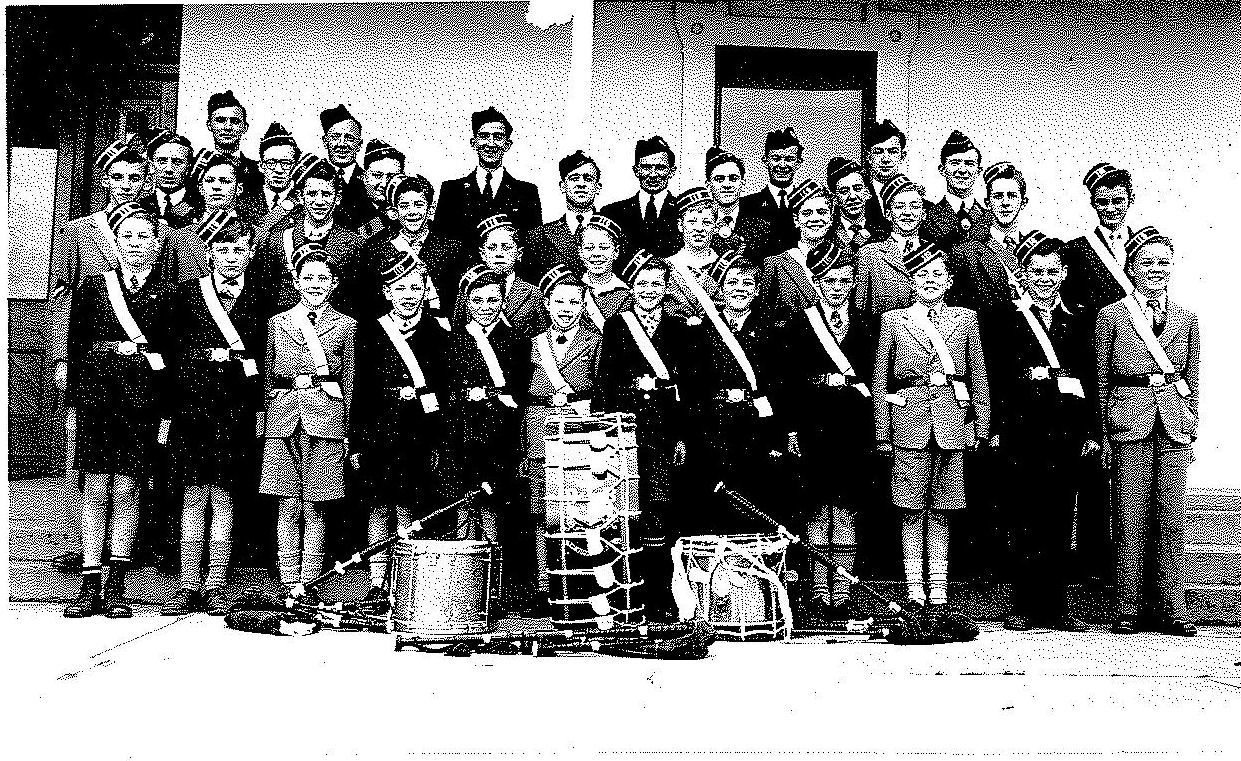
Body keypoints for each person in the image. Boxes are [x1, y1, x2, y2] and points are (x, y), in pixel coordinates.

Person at [62, 204, 174, 618]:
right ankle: (88, 584)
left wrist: (163, 404)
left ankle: (117, 587)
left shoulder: (166, 296)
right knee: (94, 488)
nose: (136, 245)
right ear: (114, 241)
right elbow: (78, 344)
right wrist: (112, 351)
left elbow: (169, 354)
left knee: (127, 489)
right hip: (99, 399)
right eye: (128, 237)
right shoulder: (94, 287)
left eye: (146, 238)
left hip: (141, 403)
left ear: (159, 244)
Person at [988, 231, 1099, 631]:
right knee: (1023, 518)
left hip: (1065, 434)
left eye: (1053, 271)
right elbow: (994, 376)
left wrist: (1091, 432)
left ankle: (1055, 607)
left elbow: (1091, 378)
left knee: (1058, 520)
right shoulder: (1009, 319)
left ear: (1065, 272)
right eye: (1036, 271)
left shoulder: (1080, 319)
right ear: (1022, 272)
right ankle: (1023, 605)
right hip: (1022, 431)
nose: (1045, 278)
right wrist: (1026, 380)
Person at [873, 240, 990, 607]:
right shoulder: (894, 321)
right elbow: (881, 381)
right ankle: (913, 588)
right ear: (910, 280)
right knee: (910, 508)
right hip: (909, 420)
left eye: (938, 274)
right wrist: (882, 432)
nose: (931, 281)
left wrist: (979, 425)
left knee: (943, 508)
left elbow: (978, 377)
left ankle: (937, 588)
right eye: (922, 274)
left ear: (950, 281)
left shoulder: (966, 318)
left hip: (953, 422)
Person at [163, 218, 270, 616]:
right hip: (195, 408)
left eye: (238, 249)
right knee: (192, 497)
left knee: (226, 497)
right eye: (222, 250)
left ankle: (218, 581)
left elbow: (269, 356)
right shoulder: (189, 296)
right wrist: (205, 361)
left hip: (237, 411)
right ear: (208, 254)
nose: (230, 258)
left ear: (250, 252)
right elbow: (172, 353)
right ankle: (189, 583)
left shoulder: (261, 302)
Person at [1096, 227, 1199, 637]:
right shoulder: (1113, 315)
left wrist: (1189, 430)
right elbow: (1103, 379)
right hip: (1128, 421)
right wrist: (1104, 434)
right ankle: (1128, 608)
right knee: (1129, 520)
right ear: (1131, 265)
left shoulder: (1186, 319)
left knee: (1172, 520)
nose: (1155, 270)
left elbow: (1192, 380)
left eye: (1163, 263)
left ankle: (1173, 607)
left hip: (1173, 424)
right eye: (1147, 261)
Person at [781, 242, 878, 625]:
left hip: (855, 430)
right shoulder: (803, 327)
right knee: (818, 508)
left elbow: (878, 376)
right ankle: (818, 590)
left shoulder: (869, 326)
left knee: (848, 508)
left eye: (845, 279)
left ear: (854, 282)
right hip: (815, 427)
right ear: (816, 284)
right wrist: (824, 380)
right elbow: (788, 382)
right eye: (828, 280)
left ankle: (843, 590)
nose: (837, 287)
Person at [349, 250, 451, 603]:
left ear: (424, 289)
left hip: (419, 434)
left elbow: (446, 388)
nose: (408, 294)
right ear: (386, 292)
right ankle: (377, 582)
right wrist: (357, 442)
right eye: (399, 288)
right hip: (379, 432)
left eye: (414, 287)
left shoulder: (438, 333)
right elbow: (359, 389)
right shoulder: (372, 330)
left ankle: (404, 582)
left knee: (410, 507)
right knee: (378, 505)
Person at [596, 254, 694, 620]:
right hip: (627, 434)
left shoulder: (679, 329)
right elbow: (606, 384)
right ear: (631, 288)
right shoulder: (618, 326)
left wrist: (681, 436)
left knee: (660, 515)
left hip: (664, 435)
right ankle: (629, 597)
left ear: (667, 289)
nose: (650, 291)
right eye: (643, 284)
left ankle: (661, 596)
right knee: (626, 517)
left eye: (657, 284)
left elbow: (688, 389)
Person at [260, 250, 357, 603]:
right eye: (308, 278)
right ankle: (287, 581)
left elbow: (350, 380)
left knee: (316, 505)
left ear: (332, 283)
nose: (314, 285)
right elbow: (268, 376)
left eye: (322, 278)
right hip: (283, 419)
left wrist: (346, 429)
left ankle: (310, 583)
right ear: (296, 281)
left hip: (327, 420)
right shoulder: (278, 322)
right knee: (288, 504)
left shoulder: (346, 325)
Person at [444, 266, 530, 607]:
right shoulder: (455, 339)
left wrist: (495, 398)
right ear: (467, 301)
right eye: (477, 300)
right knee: (464, 508)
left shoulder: (515, 341)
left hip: (501, 437)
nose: (485, 306)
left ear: (503, 299)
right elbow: (445, 388)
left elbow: (520, 391)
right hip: (464, 436)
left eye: (493, 299)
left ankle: (493, 590)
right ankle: (464, 586)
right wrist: (469, 395)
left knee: (495, 509)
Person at [519, 266, 601, 614]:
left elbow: (602, 386)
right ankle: (543, 586)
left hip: (579, 431)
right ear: (547, 303)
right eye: (558, 301)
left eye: (573, 301)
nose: (565, 308)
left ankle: (579, 587)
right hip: (540, 429)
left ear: (584, 304)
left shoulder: (596, 340)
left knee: (580, 511)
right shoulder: (533, 343)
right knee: (543, 512)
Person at [690, 258, 784, 535]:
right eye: (732, 282)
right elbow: (695, 383)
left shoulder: (772, 327)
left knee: (755, 502)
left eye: (747, 283)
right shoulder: (704, 329)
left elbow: (781, 381)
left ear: (756, 290)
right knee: (718, 503)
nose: (739, 289)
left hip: (756, 427)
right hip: (716, 428)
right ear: (719, 287)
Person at [345, 173, 465, 322]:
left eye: (419, 204)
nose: (412, 211)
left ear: (431, 209)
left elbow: (457, 301)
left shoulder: (452, 249)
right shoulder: (376, 248)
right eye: (404, 206)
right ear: (394, 213)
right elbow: (365, 297)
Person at [255, 159, 362, 315]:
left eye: (326, 194)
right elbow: (264, 296)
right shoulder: (278, 239)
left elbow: (356, 301)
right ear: (300, 196)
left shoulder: (353, 243)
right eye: (312, 194)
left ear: (337, 198)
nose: (319, 201)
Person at [434, 106, 543, 242]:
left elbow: (534, 245)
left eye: (498, 137)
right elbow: (440, 241)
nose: (491, 144)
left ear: (507, 145)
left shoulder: (527, 193)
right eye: (484, 136)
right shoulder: (451, 191)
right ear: (473, 143)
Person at [854, 174, 938, 323]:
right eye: (899, 206)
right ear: (888, 214)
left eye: (914, 206)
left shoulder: (936, 254)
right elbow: (859, 311)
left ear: (923, 214)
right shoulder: (869, 254)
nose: (907, 212)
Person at [451, 214, 547, 338]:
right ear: (483, 254)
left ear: (519, 253)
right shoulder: (468, 289)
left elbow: (541, 339)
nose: (499, 254)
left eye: (506, 247)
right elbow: (457, 332)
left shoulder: (534, 295)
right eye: (492, 248)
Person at [1061, 162, 1138, 316]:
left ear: (1131, 200)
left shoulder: (1145, 248)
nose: (1110, 209)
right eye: (1102, 202)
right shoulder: (1074, 250)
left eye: (1118, 201)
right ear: (1093, 203)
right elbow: (1069, 301)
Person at [159, 153, 248, 283]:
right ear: (200, 188)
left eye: (225, 181)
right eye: (210, 180)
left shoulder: (253, 232)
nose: (216, 187)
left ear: (239, 188)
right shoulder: (178, 232)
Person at [759, 179, 832, 325]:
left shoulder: (844, 258)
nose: (815, 218)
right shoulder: (775, 264)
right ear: (796, 220)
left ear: (830, 218)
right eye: (807, 213)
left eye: (822, 212)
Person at [599, 135, 680, 265]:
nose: (653, 175)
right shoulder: (612, 213)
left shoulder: (683, 212)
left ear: (672, 171)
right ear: (636, 171)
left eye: (660, 168)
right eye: (647, 167)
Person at [523, 150, 603, 280]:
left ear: (597, 187)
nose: (581, 184)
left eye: (588, 179)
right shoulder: (539, 236)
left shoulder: (614, 232)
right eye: (574, 178)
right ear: (562, 186)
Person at [664, 187, 738, 323]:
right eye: (692, 222)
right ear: (680, 225)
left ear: (715, 227)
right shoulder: (666, 267)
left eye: (706, 222)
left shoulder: (729, 266)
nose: (699, 229)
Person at [739, 127, 802, 252]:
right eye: (776, 159)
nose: (782, 165)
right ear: (765, 160)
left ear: (799, 163)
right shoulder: (746, 205)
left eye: (789, 159)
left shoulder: (807, 204)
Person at [705, 146, 772, 263]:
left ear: (742, 183)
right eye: (719, 179)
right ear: (708, 185)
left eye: (733, 178)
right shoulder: (699, 224)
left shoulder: (763, 224)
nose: (727, 185)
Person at [576, 213, 634, 332]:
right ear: (580, 252)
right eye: (589, 248)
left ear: (616, 251)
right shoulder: (572, 288)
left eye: (603, 247)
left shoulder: (628, 294)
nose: (596, 254)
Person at [925, 130, 986, 240]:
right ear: (942, 170)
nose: (962, 170)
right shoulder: (928, 217)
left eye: (969, 164)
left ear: (978, 171)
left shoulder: (988, 217)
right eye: (955, 163)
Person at [319, 104, 370, 232]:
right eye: (335, 137)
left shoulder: (370, 182)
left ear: (359, 144)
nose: (342, 144)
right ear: (325, 141)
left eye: (349, 138)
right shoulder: (311, 179)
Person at [205, 90, 263, 202]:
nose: (227, 127)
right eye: (220, 120)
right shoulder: (197, 168)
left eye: (235, 121)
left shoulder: (257, 171)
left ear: (245, 128)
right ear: (209, 125)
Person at [253, 122, 301, 247]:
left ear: (295, 166)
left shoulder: (306, 202)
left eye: (286, 163)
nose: (278, 170)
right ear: (261, 166)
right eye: (271, 163)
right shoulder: (245, 202)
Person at [347, 138, 405, 238]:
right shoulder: (347, 210)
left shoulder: (410, 210)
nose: (383, 184)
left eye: (391, 177)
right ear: (364, 177)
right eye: (377, 176)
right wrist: (385, 218)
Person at [139, 130, 197, 229]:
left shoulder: (200, 205)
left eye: (177, 162)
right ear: (151, 166)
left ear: (189, 167)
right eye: (162, 161)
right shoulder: (139, 205)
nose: (169, 169)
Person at [823, 157, 880, 255]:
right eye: (844, 191)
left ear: (868, 192)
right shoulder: (827, 233)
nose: (852, 197)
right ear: (835, 198)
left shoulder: (883, 228)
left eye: (857, 189)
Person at [861, 119, 907, 235]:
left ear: (902, 156)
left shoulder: (913, 194)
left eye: (893, 151)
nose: (886, 159)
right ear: (868, 157)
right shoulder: (858, 194)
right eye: (878, 152)